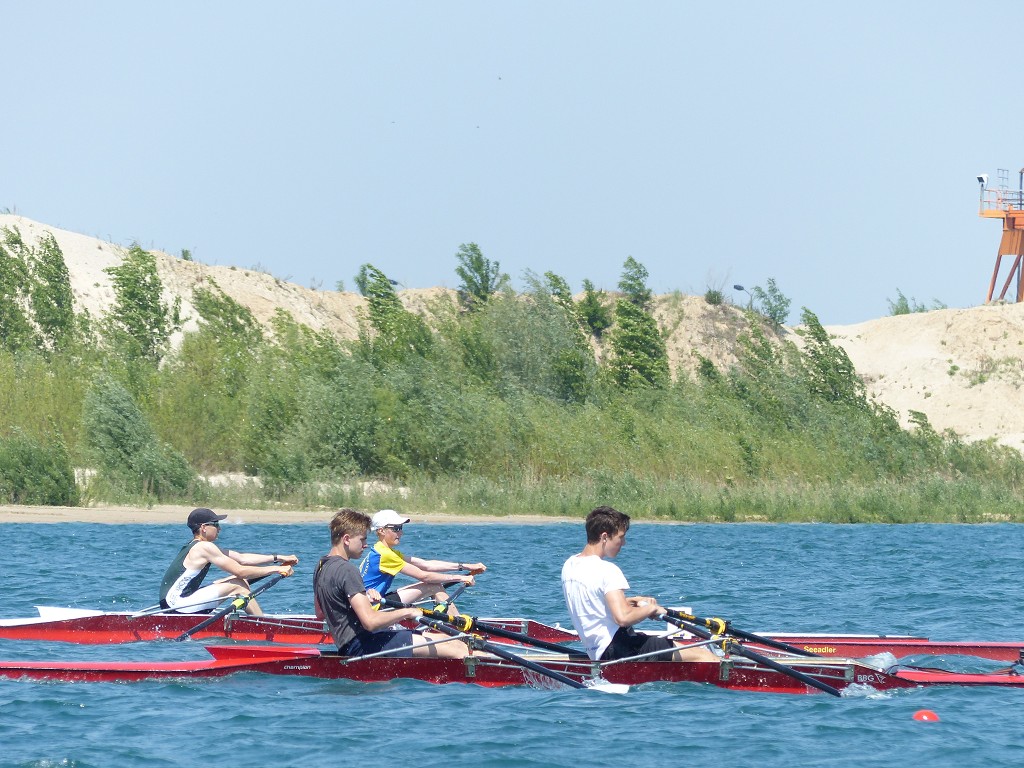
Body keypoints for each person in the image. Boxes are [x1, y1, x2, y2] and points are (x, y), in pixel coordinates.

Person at [561, 506, 717, 663]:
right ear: (604, 537)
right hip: (621, 649)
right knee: (704, 656)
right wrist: (651, 609)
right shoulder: (607, 570)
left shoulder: (570, 565)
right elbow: (623, 618)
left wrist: (632, 601)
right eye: (621, 537)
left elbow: (593, 603)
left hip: (598, 652)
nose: (624, 543)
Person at [313, 508, 470, 658]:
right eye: (362, 539)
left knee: (447, 640)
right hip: (366, 643)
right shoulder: (347, 570)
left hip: (350, 645)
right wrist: (407, 612)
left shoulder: (321, 566)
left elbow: (320, 614)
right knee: (458, 648)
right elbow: (370, 622)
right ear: (346, 539)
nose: (366, 544)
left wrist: (362, 599)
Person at [159, 508, 298, 616]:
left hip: (173, 603)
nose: (219, 529)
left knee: (234, 581)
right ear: (204, 528)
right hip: (176, 605)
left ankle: (254, 618)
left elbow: (242, 559)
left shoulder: (199, 546)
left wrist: (279, 558)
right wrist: (277, 569)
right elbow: (240, 571)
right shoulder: (204, 547)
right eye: (216, 524)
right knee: (238, 585)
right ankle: (262, 625)